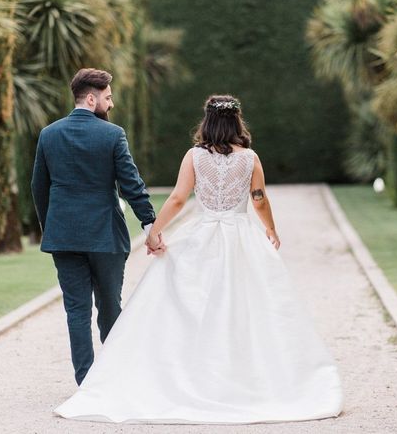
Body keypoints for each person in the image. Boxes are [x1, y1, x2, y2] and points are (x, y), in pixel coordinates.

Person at [54, 94, 344, 424]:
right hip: (240, 236)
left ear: (206, 121)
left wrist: (154, 231)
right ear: (237, 121)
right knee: (247, 304)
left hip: (202, 235)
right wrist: (271, 229)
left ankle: (187, 374)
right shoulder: (249, 158)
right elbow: (259, 198)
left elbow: (178, 198)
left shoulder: (194, 156)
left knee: (188, 304)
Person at [31, 68, 165, 386]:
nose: (112, 103)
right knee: (109, 306)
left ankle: (86, 382)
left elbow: (39, 187)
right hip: (105, 236)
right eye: (108, 97)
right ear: (91, 99)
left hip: (63, 238)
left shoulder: (48, 134)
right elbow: (131, 185)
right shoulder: (112, 135)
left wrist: (52, 226)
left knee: (76, 311)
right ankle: (113, 378)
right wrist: (150, 224)